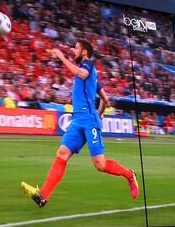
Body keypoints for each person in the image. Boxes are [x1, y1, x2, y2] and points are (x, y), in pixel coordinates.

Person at [22, 41, 139, 207]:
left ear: (84, 52)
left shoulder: (87, 64)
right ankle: (43, 195)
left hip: (89, 120)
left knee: (100, 164)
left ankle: (129, 175)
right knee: (62, 153)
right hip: (77, 120)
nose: (73, 50)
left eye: (76, 48)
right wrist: (105, 100)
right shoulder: (90, 70)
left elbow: (83, 75)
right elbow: (97, 85)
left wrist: (61, 56)